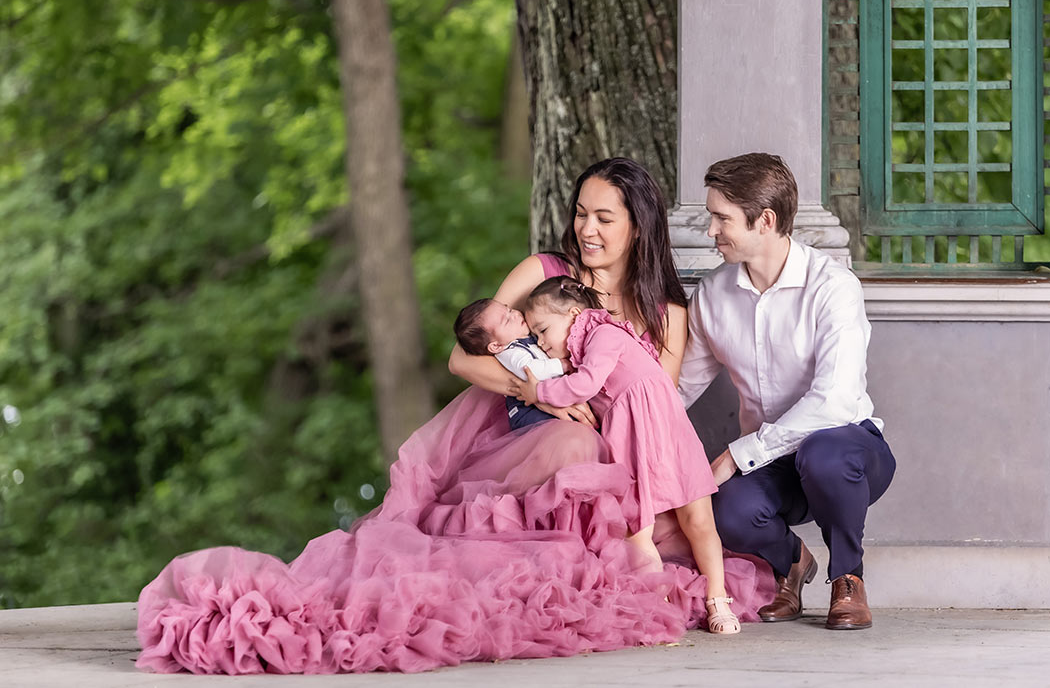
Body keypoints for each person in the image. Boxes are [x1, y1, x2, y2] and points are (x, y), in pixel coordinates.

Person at [135, 158, 774, 675]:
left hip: (622, 453)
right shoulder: (543, 273)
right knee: (571, 455)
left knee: (665, 524)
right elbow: (465, 359)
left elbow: (656, 410)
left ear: (638, 225)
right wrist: (541, 391)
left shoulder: (665, 310)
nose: (588, 229)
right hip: (527, 435)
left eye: (604, 218)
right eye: (580, 213)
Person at [677, 152, 896, 630]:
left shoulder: (833, 287)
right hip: (772, 465)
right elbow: (681, 388)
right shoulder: (713, 294)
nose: (711, 231)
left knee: (824, 453)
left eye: (721, 218)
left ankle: (848, 579)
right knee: (723, 506)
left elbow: (834, 401)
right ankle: (793, 564)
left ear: (766, 221)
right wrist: (624, 426)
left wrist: (738, 454)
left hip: (848, 452)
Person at [520, 276, 739, 634]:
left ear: (575, 313)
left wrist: (538, 391)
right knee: (637, 530)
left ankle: (718, 596)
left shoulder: (605, 335)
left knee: (698, 519)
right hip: (631, 438)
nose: (541, 343)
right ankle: (664, 605)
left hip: (666, 432)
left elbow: (587, 385)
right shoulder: (576, 353)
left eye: (543, 330)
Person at [452, 298, 567, 430]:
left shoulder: (526, 338)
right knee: (561, 429)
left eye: (510, 309)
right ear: (496, 346)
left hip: (544, 400)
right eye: (507, 320)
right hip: (530, 413)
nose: (515, 314)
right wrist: (561, 365)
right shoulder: (510, 353)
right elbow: (531, 371)